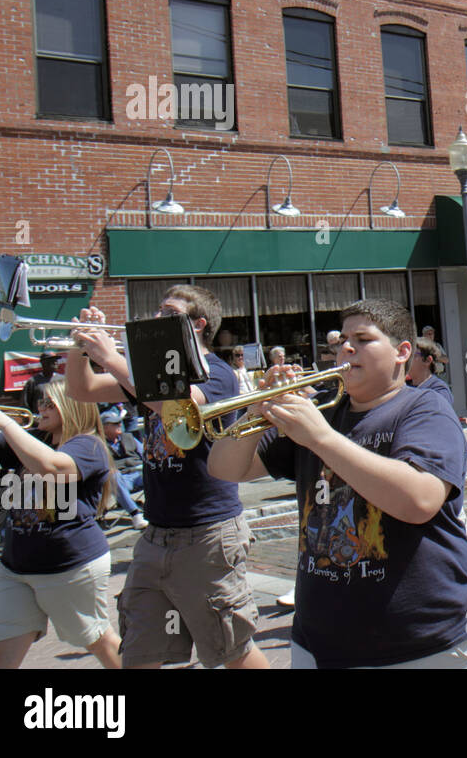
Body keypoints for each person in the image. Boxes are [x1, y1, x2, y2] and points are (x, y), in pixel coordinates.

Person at [208, 299, 467, 667]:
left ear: (403, 352)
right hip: (318, 642)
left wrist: (320, 438)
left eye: (363, 339)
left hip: (421, 644)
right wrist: (256, 410)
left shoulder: (424, 408)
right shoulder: (321, 410)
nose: (345, 347)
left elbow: (420, 500)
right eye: (341, 341)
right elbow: (226, 469)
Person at [65, 284, 269, 669]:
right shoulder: (148, 374)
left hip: (207, 533)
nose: (156, 318)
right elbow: (82, 389)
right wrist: (81, 346)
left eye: (168, 312)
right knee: (139, 653)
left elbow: (180, 410)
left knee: (231, 650)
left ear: (198, 325)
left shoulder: (218, 373)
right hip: (155, 535)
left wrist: (111, 357)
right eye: (157, 310)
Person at [0, 378, 121, 668]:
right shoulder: (32, 439)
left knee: (100, 642)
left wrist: (6, 424)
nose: (41, 408)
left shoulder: (88, 445)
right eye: (41, 402)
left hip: (69, 568)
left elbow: (54, 466)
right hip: (15, 569)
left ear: (71, 406)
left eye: (49, 403)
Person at [100, 408, 148, 530]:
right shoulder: (99, 445)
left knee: (155, 469)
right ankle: (135, 514)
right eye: (115, 423)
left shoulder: (129, 437)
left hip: (139, 473)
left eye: (120, 422)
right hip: (121, 479)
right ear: (104, 428)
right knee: (113, 476)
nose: (120, 425)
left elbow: (146, 455)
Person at [21, 353, 59, 424]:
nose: (55, 363)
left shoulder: (62, 380)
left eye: (56, 360)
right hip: (40, 425)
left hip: (61, 424)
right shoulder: (33, 382)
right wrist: (30, 422)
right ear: (43, 364)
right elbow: (25, 405)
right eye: (52, 360)